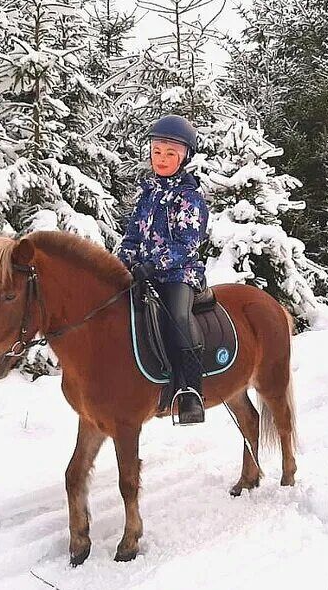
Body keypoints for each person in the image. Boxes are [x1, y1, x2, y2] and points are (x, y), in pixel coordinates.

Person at [116, 115, 210, 425]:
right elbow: (131, 236)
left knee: (178, 316)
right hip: (141, 273)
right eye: (158, 152)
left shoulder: (190, 197)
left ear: (184, 157)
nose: (162, 159)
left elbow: (187, 243)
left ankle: (190, 392)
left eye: (171, 154)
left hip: (178, 274)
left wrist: (151, 263)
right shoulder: (148, 194)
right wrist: (122, 261)